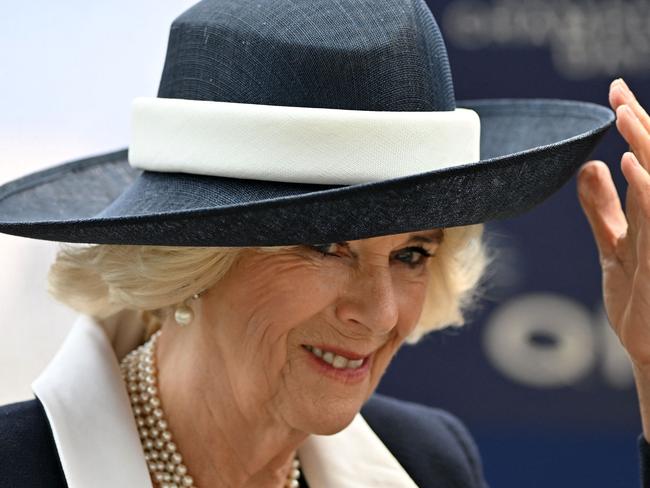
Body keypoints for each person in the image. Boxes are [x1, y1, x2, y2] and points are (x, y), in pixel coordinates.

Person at [0, 0, 647, 486]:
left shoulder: (428, 465)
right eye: (327, 246)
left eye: (411, 255)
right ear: (191, 259)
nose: (380, 311)